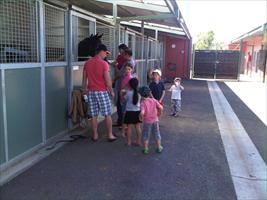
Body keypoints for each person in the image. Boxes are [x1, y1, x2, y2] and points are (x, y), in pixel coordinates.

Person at [82, 44, 117, 142]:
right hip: (102, 92)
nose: (106, 55)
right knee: (107, 114)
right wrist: (111, 90)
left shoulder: (87, 63)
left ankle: (95, 135)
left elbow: (84, 79)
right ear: (101, 51)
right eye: (106, 53)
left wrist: (84, 91)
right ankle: (110, 135)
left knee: (94, 115)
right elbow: (108, 80)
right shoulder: (104, 64)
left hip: (91, 92)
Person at [139, 86, 164, 154]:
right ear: (149, 93)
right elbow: (161, 107)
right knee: (157, 134)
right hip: (155, 120)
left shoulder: (142, 103)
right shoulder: (154, 100)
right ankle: (159, 147)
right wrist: (159, 114)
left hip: (147, 122)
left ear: (140, 94)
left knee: (146, 134)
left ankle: (146, 149)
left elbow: (142, 113)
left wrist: (141, 118)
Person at [122, 78, 142, 146]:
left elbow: (124, 99)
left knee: (129, 127)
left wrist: (122, 94)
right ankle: (138, 141)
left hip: (129, 112)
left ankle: (129, 142)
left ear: (130, 85)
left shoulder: (128, 93)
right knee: (138, 127)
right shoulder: (139, 94)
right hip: (137, 111)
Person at [119, 63, 134, 137]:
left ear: (132, 70)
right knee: (125, 115)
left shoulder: (130, 78)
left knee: (125, 115)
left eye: (129, 69)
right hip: (124, 98)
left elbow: (130, 89)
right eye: (126, 69)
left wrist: (123, 93)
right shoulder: (125, 77)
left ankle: (124, 131)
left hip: (127, 98)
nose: (127, 70)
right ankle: (124, 130)